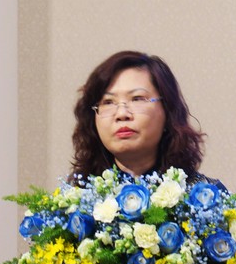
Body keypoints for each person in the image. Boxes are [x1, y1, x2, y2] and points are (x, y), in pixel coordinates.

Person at [71, 51, 216, 186]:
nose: (122, 114)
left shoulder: (205, 198)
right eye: (108, 102)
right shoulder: (74, 205)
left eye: (137, 99)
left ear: (167, 111)